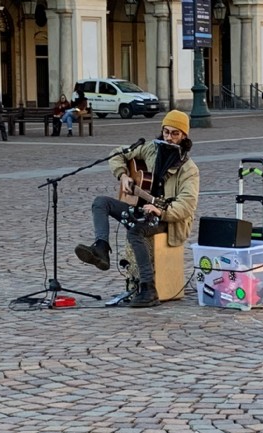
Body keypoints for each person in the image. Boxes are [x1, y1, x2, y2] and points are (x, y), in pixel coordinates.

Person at [74, 110, 200, 307]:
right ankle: (101, 248)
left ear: (184, 136)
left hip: (167, 220)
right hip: (141, 210)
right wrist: (123, 175)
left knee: (136, 232)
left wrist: (161, 210)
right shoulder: (151, 148)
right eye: (166, 132)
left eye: (175, 134)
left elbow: (186, 205)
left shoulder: (188, 169)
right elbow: (117, 154)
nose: (169, 137)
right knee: (101, 202)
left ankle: (148, 288)